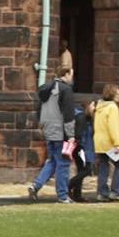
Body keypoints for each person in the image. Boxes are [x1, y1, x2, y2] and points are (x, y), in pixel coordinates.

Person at [28, 67, 74, 202]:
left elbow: (38, 109)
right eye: (71, 74)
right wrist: (70, 135)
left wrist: (43, 125)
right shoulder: (65, 90)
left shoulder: (45, 89)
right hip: (61, 131)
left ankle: (36, 185)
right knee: (63, 164)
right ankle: (63, 195)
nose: (72, 77)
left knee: (52, 161)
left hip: (48, 130)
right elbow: (68, 113)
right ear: (66, 74)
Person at [93, 84, 119, 202]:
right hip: (110, 143)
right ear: (112, 94)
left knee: (103, 167)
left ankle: (102, 193)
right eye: (117, 93)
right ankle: (115, 192)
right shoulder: (112, 107)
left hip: (99, 142)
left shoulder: (99, 106)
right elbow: (113, 128)